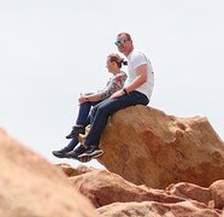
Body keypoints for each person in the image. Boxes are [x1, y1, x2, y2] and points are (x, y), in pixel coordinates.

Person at [73, 32, 154, 162]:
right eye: (117, 43)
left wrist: (123, 91)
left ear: (130, 42)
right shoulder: (132, 57)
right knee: (97, 109)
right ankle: (93, 147)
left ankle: (86, 145)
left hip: (139, 95)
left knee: (102, 109)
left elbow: (143, 77)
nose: (120, 45)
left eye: (122, 42)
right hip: (134, 93)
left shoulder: (137, 55)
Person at [52, 53, 128, 158]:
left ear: (114, 63)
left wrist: (87, 98)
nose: (106, 66)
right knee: (84, 122)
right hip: (105, 102)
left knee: (86, 99)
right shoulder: (115, 77)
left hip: (109, 103)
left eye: (107, 63)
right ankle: (69, 148)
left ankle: (77, 129)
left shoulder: (120, 76)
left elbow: (107, 94)